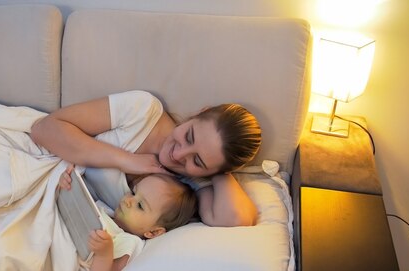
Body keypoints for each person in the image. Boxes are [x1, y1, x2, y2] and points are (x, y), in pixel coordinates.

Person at [31, 90, 262, 227]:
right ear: (198, 113)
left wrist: (219, 171)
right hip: (35, 164)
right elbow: (44, 129)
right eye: (189, 136)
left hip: (64, 213)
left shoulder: (189, 183)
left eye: (198, 161)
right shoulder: (143, 110)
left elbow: (236, 219)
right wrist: (125, 160)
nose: (179, 154)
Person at [59, 166, 197, 271]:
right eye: (133, 192)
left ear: (154, 232)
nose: (128, 200)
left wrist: (103, 255)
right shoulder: (105, 210)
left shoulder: (129, 242)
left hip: (58, 261)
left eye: (140, 206)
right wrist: (65, 187)